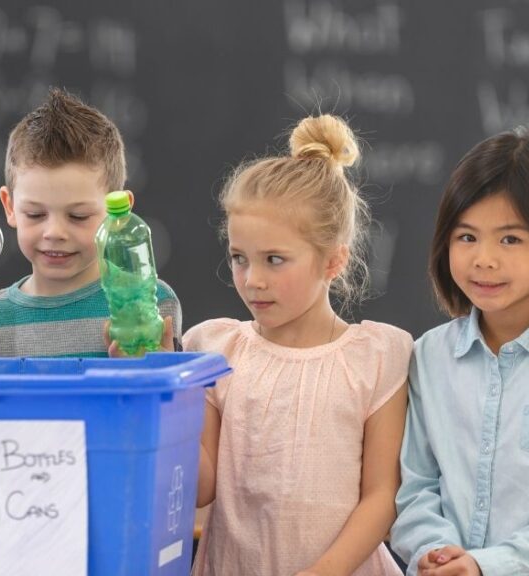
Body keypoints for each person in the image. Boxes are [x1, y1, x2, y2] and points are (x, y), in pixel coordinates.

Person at [186, 115, 411, 575]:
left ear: (333, 260)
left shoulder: (376, 357)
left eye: (275, 260)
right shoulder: (213, 350)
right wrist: (146, 382)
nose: (253, 280)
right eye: (239, 259)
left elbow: (381, 497)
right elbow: (198, 488)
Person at [390, 128, 529, 575]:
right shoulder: (427, 358)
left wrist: (486, 566)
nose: (484, 259)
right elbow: (414, 489)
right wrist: (437, 555)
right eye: (467, 237)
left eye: (510, 239)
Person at [0, 88, 180, 357]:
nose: (54, 232)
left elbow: (176, 399)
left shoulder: (145, 303)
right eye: (35, 214)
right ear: (9, 206)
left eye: (78, 216)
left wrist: (148, 373)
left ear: (118, 214)